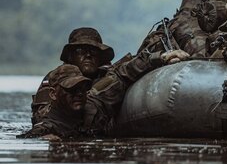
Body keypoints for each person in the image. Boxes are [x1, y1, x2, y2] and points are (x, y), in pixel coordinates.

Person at [20, 49, 190, 140]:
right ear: (53, 94)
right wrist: (43, 139)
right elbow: (31, 137)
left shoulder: (94, 101)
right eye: (71, 89)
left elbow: (120, 75)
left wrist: (159, 57)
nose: (79, 94)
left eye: (82, 87)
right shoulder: (46, 128)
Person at [31, 27, 116, 125]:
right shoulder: (55, 79)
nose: (88, 55)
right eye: (81, 51)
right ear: (71, 56)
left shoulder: (110, 75)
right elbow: (40, 116)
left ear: (100, 57)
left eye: (94, 51)